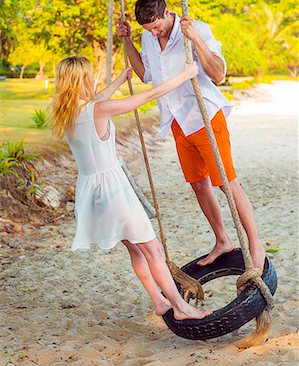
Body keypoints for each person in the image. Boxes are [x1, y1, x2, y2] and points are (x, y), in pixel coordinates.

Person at [52, 55, 211, 321]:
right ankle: (181, 307)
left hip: (92, 193)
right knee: (152, 250)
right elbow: (146, 97)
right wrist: (185, 75)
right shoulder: (96, 110)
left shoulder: (67, 111)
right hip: (114, 191)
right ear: (82, 79)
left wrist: (119, 79)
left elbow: (98, 101)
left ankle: (159, 302)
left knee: (136, 249)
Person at [116, 0, 266, 271]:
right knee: (198, 184)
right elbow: (144, 74)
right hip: (177, 121)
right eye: (149, 30)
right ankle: (223, 240)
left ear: (166, 12)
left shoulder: (196, 29)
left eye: (157, 26)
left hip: (205, 117)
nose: (155, 32)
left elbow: (218, 73)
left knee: (225, 182)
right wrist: (127, 41)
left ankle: (256, 244)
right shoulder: (148, 37)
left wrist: (195, 37)